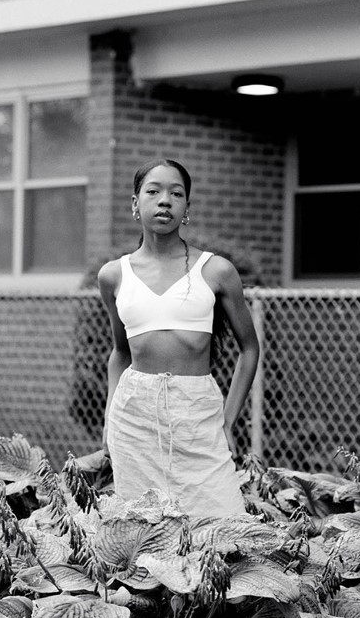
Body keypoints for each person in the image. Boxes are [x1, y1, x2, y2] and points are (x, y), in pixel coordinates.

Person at [97, 158, 259, 518]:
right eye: (153, 191)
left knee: (223, 520)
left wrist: (228, 422)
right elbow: (120, 354)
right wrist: (110, 420)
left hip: (197, 410)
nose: (164, 200)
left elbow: (250, 349)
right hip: (134, 416)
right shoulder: (114, 276)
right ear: (135, 204)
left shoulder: (215, 270)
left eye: (176, 193)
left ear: (187, 208)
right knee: (144, 528)